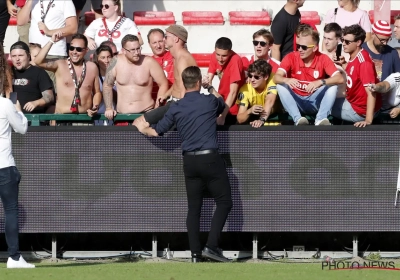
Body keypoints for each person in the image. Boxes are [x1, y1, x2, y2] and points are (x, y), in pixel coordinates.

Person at [135, 66, 232, 263]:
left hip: (189, 161)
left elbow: (157, 131)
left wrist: (141, 128)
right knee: (224, 202)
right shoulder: (209, 101)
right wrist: (211, 87)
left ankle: (195, 254)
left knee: (194, 208)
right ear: (198, 83)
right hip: (210, 158)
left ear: (183, 83)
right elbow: (223, 103)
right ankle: (212, 246)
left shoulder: (176, 107)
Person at [0, 43, 34, 269]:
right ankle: (13, 257)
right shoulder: (5, 104)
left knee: (11, 210)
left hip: (5, 166)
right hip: (4, 166)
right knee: (11, 210)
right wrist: (19, 110)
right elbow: (23, 127)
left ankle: (15, 257)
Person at [274, 28, 344, 125]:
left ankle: (320, 119)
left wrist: (320, 82)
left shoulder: (323, 58)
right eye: (298, 46)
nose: (300, 50)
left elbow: (339, 78)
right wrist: (286, 79)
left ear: (314, 48)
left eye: (304, 47)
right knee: (280, 85)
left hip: (315, 101)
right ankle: (298, 119)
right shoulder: (291, 57)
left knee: (333, 86)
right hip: (296, 101)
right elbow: (276, 77)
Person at [134, 24, 197, 125]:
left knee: (141, 123)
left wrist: (183, 115)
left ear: (175, 39)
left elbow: (184, 90)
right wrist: (165, 95)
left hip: (178, 105)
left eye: (165, 37)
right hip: (172, 102)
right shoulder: (176, 57)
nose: (163, 40)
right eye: (154, 42)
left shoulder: (182, 59)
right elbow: (178, 82)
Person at [103, 34, 168, 124]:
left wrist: (158, 105)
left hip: (145, 115)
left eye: (138, 48)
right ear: (123, 51)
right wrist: (109, 108)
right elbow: (107, 85)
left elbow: (163, 83)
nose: (137, 52)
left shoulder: (149, 62)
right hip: (121, 116)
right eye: (132, 50)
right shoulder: (115, 61)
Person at [34, 33, 101, 117]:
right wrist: (51, 41)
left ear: (86, 50)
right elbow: (38, 61)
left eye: (79, 49)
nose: (74, 52)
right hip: (62, 117)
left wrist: (95, 106)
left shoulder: (92, 67)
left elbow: (97, 92)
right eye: (72, 48)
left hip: (84, 118)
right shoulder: (60, 64)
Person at [331, 24, 381, 127]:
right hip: (354, 103)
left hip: (359, 111)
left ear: (358, 42)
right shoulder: (356, 55)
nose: (343, 44)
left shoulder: (364, 62)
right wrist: (344, 64)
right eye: (342, 40)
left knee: (322, 104)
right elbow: (355, 74)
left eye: (347, 42)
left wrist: (368, 120)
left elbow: (371, 92)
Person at [205, 37, 245, 125]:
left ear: (230, 52)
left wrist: (222, 116)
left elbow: (233, 92)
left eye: (224, 56)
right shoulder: (214, 55)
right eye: (218, 54)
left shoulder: (235, 60)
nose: (220, 59)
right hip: (221, 104)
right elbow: (209, 77)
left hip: (233, 108)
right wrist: (206, 82)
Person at [10, 41, 54, 114]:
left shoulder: (39, 73)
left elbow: (50, 97)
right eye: (14, 56)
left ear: (28, 56)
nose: (17, 59)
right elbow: (10, 94)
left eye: (20, 55)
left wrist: (36, 103)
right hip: (13, 118)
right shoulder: (9, 73)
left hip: (34, 119)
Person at [236, 60, 279, 127]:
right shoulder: (245, 89)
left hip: (278, 114)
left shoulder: (272, 79)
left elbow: (270, 100)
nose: (252, 80)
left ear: (266, 77)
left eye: (256, 77)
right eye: (250, 76)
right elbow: (240, 119)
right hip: (257, 117)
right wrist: (250, 111)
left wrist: (261, 119)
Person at [147, 28, 174, 101]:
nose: (158, 45)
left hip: (172, 101)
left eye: (160, 41)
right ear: (149, 44)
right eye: (154, 43)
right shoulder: (147, 62)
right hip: (153, 102)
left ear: (165, 41)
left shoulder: (174, 56)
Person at [321, 22, 347, 97]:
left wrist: (344, 64)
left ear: (338, 40)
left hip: (341, 98)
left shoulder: (346, 57)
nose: (326, 42)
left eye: (329, 39)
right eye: (324, 38)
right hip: (323, 98)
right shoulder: (318, 55)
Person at [92, 44, 115, 125]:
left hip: (117, 118)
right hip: (98, 118)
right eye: (103, 57)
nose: (106, 60)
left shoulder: (119, 76)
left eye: (109, 57)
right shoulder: (94, 78)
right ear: (97, 59)